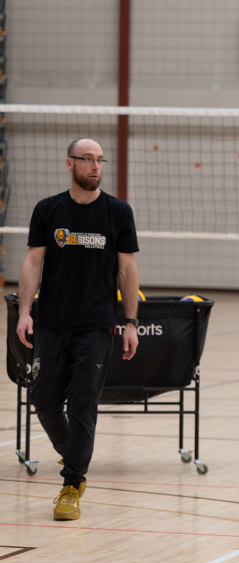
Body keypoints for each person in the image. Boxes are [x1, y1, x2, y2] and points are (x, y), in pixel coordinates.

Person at [16, 138, 140, 520]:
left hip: (96, 326)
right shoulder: (48, 210)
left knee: (84, 406)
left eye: (100, 160)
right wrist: (24, 312)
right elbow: (33, 263)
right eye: (87, 159)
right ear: (69, 164)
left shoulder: (118, 212)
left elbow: (127, 269)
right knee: (45, 401)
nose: (95, 166)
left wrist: (131, 322)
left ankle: (71, 484)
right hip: (52, 323)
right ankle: (73, 455)